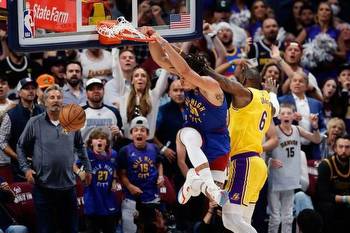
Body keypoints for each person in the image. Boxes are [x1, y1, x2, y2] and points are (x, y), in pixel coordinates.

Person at [143, 28, 230, 207]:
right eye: (180, 78)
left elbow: (186, 71)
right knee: (188, 133)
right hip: (194, 137)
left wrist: (164, 42)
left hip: (217, 142)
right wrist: (151, 39)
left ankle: (193, 180)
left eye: (183, 78)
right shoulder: (188, 81)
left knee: (210, 198)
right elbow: (160, 59)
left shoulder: (211, 86)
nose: (180, 81)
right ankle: (209, 185)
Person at [17, 84, 92, 233]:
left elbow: (80, 146)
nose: (56, 100)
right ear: (44, 102)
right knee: (46, 230)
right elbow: (20, 146)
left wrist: (88, 169)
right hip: (43, 187)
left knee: (71, 229)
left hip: (68, 187)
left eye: (59, 97)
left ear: (63, 101)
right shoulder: (34, 122)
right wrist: (26, 169)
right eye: (52, 97)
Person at [267, 103, 321, 233]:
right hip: (275, 178)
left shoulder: (297, 130)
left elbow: (316, 139)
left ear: (294, 116)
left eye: (289, 113)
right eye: (283, 113)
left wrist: (315, 127)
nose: (286, 115)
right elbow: (262, 150)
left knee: (288, 217)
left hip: (290, 179)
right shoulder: (273, 130)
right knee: (275, 217)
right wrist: (269, 161)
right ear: (279, 116)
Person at [117, 116, 164, 233]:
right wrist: (129, 186)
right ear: (131, 134)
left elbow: (159, 164)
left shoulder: (154, 148)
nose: (139, 133)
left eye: (142, 130)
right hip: (131, 199)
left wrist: (161, 176)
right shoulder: (124, 151)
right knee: (130, 230)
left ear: (147, 134)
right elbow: (121, 173)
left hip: (151, 198)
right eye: (136, 130)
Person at [0, 77, 44, 181]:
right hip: (21, 171)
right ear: (19, 93)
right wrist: (19, 157)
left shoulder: (43, 111)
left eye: (33, 88)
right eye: (26, 88)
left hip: (45, 167)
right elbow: (2, 141)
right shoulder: (11, 115)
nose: (31, 90)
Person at [83, 128, 120, 233]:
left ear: (107, 142)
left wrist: (114, 179)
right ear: (91, 142)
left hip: (108, 201)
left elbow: (115, 168)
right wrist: (82, 174)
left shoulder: (113, 155)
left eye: (102, 138)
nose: (99, 140)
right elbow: (74, 166)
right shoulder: (86, 155)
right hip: (92, 201)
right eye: (96, 138)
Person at [316, 135, 350, 233]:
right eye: (341, 147)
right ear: (335, 148)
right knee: (329, 208)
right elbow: (322, 194)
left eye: (347, 147)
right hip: (329, 202)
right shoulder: (326, 165)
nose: (344, 150)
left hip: (346, 202)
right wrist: (345, 199)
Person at [81, 78, 123, 145]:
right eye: (92, 89)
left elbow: (120, 136)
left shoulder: (114, 111)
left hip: (108, 153)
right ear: (86, 93)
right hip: (85, 153)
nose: (96, 91)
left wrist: (119, 133)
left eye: (99, 88)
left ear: (103, 91)